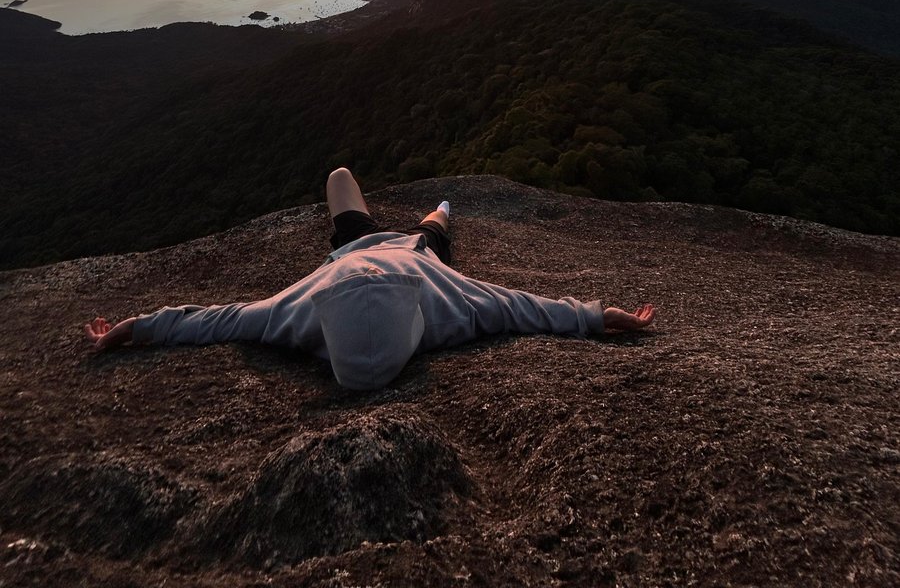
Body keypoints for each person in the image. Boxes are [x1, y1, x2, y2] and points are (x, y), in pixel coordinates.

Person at [84, 167, 656, 390]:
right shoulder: (445, 306)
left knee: (339, 178)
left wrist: (137, 328)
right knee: (430, 225)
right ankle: (445, 206)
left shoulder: (300, 315)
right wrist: (598, 316)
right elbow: (525, 309)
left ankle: (445, 207)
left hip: (367, 245)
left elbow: (215, 321)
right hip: (414, 251)